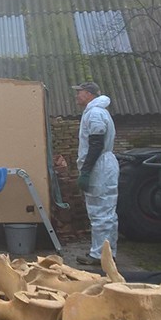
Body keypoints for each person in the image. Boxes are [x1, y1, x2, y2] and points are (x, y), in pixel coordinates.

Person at [72, 81, 119, 265]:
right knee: (107, 212)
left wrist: (86, 171)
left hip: (100, 168)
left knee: (100, 212)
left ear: (89, 94)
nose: (77, 96)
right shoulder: (95, 112)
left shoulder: (95, 113)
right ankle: (108, 253)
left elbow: (96, 144)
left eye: (80, 92)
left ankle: (99, 256)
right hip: (103, 166)